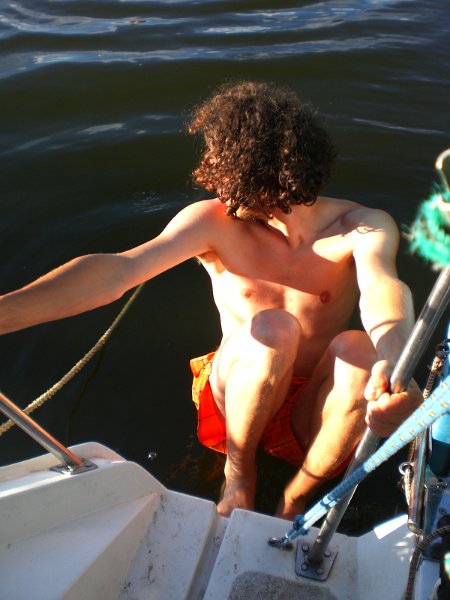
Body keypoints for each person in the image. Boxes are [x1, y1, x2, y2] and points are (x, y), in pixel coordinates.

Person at [0, 81, 422, 520]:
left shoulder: (362, 226)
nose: (221, 189)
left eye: (227, 173)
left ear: (262, 176)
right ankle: (239, 477)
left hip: (317, 405)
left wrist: (395, 364)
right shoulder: (214, 222)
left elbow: (383, 290)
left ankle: (297, 496)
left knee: (359, 350)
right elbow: (119, 270)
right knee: (274, 328)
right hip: (240, 390)